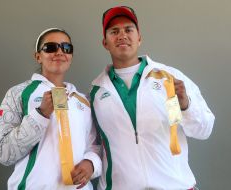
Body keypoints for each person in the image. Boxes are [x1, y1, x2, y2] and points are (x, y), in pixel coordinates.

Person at [90, 6, 215, 190]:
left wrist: (186, 106)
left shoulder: (170, 77)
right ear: (105, 42)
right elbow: (96, 146)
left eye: (128, 29)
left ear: (139, 38)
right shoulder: (96, 92)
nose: (122, 35)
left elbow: (205, 130)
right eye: (114, 31)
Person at [0, 28, 101, 190]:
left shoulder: (83, 101)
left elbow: (95, 146)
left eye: (66, 48)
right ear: (38, 56)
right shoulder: (18, 93)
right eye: (50, 47)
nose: (59, 52)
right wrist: (40, 115)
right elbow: (4, 153)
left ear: (70, 56)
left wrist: (91, 163)